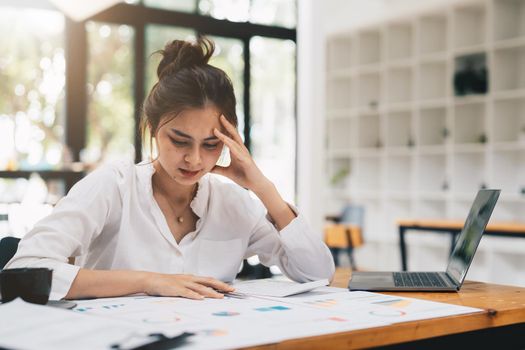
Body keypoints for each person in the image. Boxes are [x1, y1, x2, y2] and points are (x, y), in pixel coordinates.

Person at [6, 37, 335, 301]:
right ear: (152, 129)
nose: (194, 159)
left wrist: (263, 187)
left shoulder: (232, 202)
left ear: (230, 139)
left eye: (210, 144)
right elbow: (23, 271)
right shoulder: (113, 187)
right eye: (179, 141)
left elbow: (317, 273)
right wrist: (149, 281)